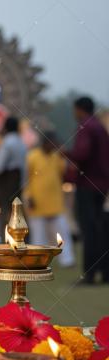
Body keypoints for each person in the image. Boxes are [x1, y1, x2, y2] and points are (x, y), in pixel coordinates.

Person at [67, 97, 109, 284]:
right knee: (100, 229)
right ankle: (105, 273)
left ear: (79, 109)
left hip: (87, 185)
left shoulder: (86, 126)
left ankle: (90, 274)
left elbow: (81, 154)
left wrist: (64, 152)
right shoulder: (99, 126)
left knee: (89, 231)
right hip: (101, 185)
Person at [24, 132, 75, 267]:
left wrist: (63, 155)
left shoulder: (57, 156)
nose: (53, 146)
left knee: (62, 233)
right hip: (37, 203)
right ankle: (37, 262)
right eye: (50, 143)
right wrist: (28, 196)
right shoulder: (32, 156)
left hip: (55, 203)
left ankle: (67, 260)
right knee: (38, 237)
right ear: (44, 143)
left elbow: (66, 172)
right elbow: (26, 179)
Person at [0, 116, 27, 233]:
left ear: (5, 128)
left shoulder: (7, 143)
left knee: (4, 213)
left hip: (6, 183)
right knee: (17, 213)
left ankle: (5, 241)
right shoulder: (22, 143)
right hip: (18, 181)